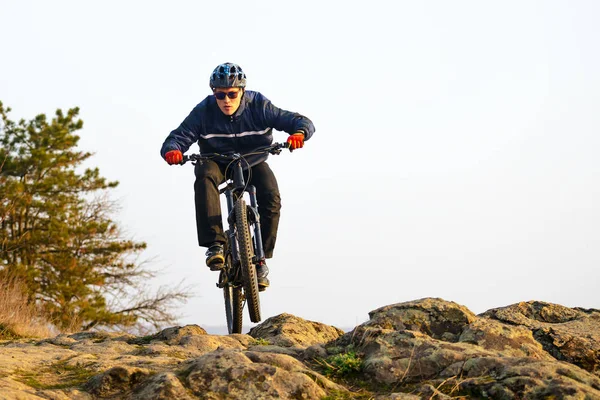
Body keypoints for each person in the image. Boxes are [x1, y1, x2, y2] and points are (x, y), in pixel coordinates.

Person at [160, 62, 315, 291]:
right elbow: (177, 137)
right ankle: (215, 245)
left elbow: (299, 121)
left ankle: (259, 261)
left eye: (232, 94)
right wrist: (173, 151)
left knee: (271, 198)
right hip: (217, 161)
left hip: (253, 160)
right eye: (220, 95)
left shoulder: (259, 105)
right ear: (214, 93)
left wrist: (299, 133)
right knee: (204, 176)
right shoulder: (203, 111)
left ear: (242, 91)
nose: (226, 101)